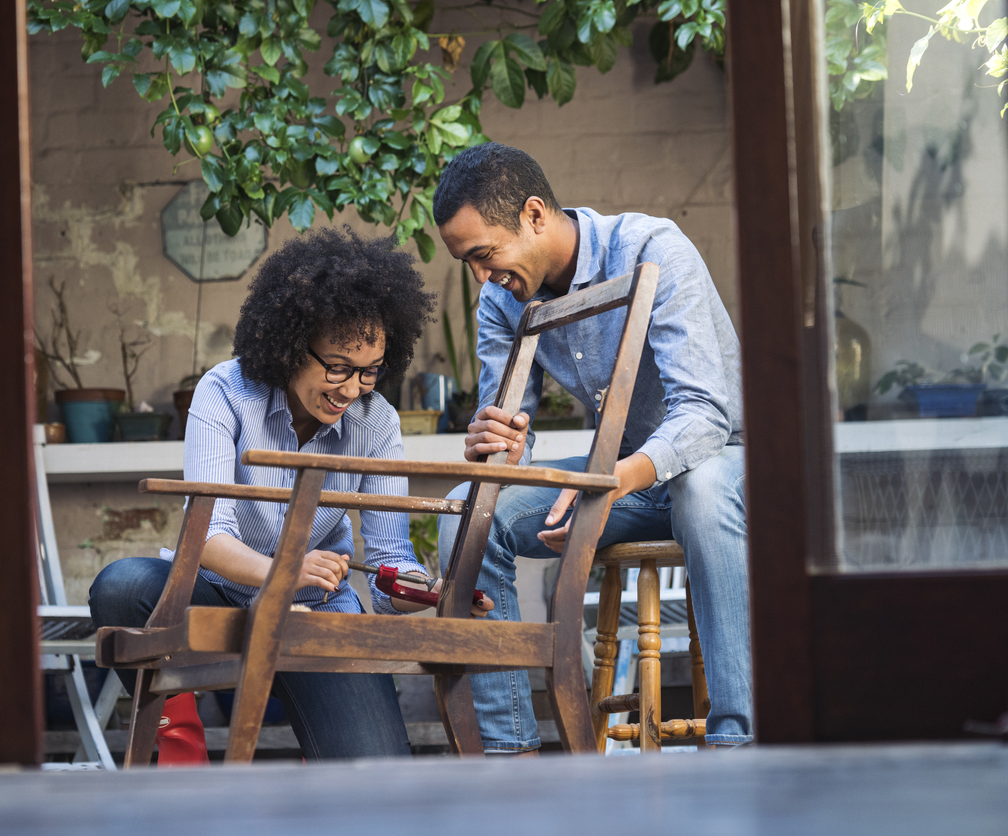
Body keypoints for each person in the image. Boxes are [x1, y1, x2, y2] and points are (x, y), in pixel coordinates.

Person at [90, 227, 490, 763]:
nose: (350, 390)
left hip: (315, 616)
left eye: (369, 373)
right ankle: (178, 744)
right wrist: (283, 571)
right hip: (216, 598)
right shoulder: (225, 392)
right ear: (288, 342)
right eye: (337, 367)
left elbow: (390, 559)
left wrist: (430, 592)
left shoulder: (377, 423)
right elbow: (206, 535)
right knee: (121, 588)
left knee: (376, 777)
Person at [432, 142, 750, 752]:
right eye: (466, 263)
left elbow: (706, 414)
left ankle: (741, 743)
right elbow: (506, 442)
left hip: (723, 466)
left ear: (532, 215)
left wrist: (607, 486)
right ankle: (509, 755)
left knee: (701, 489)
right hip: (628, 480)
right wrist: (496, 448)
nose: (480, 277)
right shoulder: (503, 299)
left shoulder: (652, 249)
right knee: (469, 517)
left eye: (484, 255)